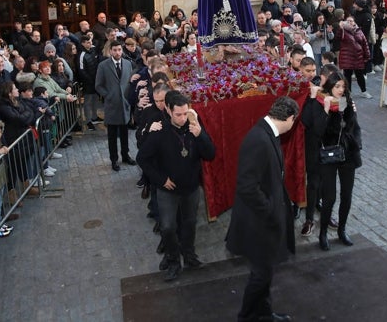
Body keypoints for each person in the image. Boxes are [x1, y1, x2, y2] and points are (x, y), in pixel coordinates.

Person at [226, 96, 299, 322]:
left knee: (265, 273)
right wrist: (269, 211)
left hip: (263, 221)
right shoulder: (259, 139)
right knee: (261, 275)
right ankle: (246, 317)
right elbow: (247, 186)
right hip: (257, 223)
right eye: (294, 120)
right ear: (289, 118)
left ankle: (264, 313)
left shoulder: (267, 134)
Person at [137, 90, 216, 282]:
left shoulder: (195, 127)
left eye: (185, 113)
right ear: (169, 111)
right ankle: (173, 260)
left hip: (190, 188)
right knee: (168, 226)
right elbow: (142, 159)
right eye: (178, 114)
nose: (182, 118)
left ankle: (189, 256)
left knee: (189, 223)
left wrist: (201, 136)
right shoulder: (159, 131)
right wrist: (161, 179)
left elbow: (210, 154)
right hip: (167, 190)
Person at [303, 71, 362, 251]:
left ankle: (342, 230)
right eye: (337, 86)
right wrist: (327, 111)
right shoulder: (320, 103)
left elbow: (354, 127)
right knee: (329, 197)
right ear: (330, 87)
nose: (341, 90)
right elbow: (317, 131)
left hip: (347, 154)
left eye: (343, 86)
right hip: (328, 155)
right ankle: (322, 234)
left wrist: (355, 144)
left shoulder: (347, 102)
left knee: (347, 195)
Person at [95, 40, 135, 171]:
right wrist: (108, 95)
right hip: (112, 105)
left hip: (125, 105)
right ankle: (114, 159)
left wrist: (128, 97)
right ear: (110, 51)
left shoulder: (128, 64)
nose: (117, 52)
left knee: (125, 133)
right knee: (112, 136)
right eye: (115, 50)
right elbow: (98, 85)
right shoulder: (103, 65)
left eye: (119, 50)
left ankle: (125, 155)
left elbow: (129, 82)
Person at [336, 17, 372, 99]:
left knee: (360, 76)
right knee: (347, 76)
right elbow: (338, 37)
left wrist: (367, 55)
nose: (349, 22)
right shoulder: (343, 31)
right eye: (347, 21)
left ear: (354, 22)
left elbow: (365, 44)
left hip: (358, 58)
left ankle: (364, 91)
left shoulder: (359, 31)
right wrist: (340, 28)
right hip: (347, 58)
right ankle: (348, 93)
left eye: (351, 21)